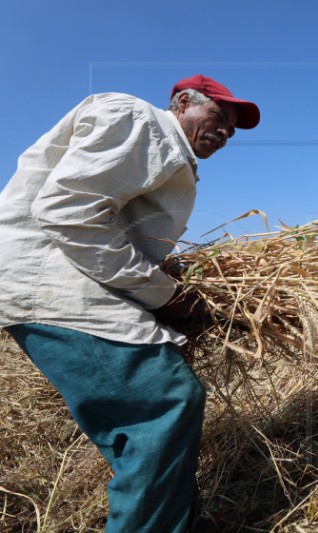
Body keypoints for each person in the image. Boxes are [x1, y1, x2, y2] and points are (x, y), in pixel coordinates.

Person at [0, 74, 260, 531]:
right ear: (182, 102)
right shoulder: (141, 121)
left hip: (57, 280)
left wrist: (169, 275)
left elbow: (105, 223)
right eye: (219, 117)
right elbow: (69, 214)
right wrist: (167, 295)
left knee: (153, 414)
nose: (224, 133)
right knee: (161, 405)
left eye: (231, 130)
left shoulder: (164, 146)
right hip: (52, 281)